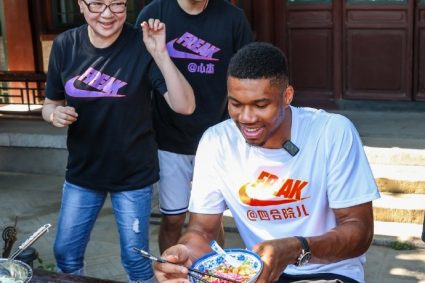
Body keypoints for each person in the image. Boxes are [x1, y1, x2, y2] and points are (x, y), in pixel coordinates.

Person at [153, 42, 381, 283]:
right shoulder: (216, 141)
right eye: (236, 104)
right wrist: (186, 253)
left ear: (287, 97)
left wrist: (296, 248)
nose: (246, 118)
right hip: (255, 275)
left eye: (261, 105)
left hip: (328, 272)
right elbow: (201, 230)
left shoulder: (332, 132)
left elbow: (360, 231)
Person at [41, 0, 195, 282]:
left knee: (135, 259)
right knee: (65, 252)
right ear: (81, 5)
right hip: (83, 171)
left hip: (133, 174)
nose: (108, 14)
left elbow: (185, 105)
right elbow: (49, 103)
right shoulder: (65, 44)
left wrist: (160, 53)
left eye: (117, 5)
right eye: (98, 4)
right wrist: (54, 115)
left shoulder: (141, 44)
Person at [135, 0, 253, 253]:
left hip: (217, 138)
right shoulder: (154, 14)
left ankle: (212, 275)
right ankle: (172, 275)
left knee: (210, 220)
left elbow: (248, 73)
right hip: (169, 137)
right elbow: (137, 69)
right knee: (173, 219)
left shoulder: (232, 18)